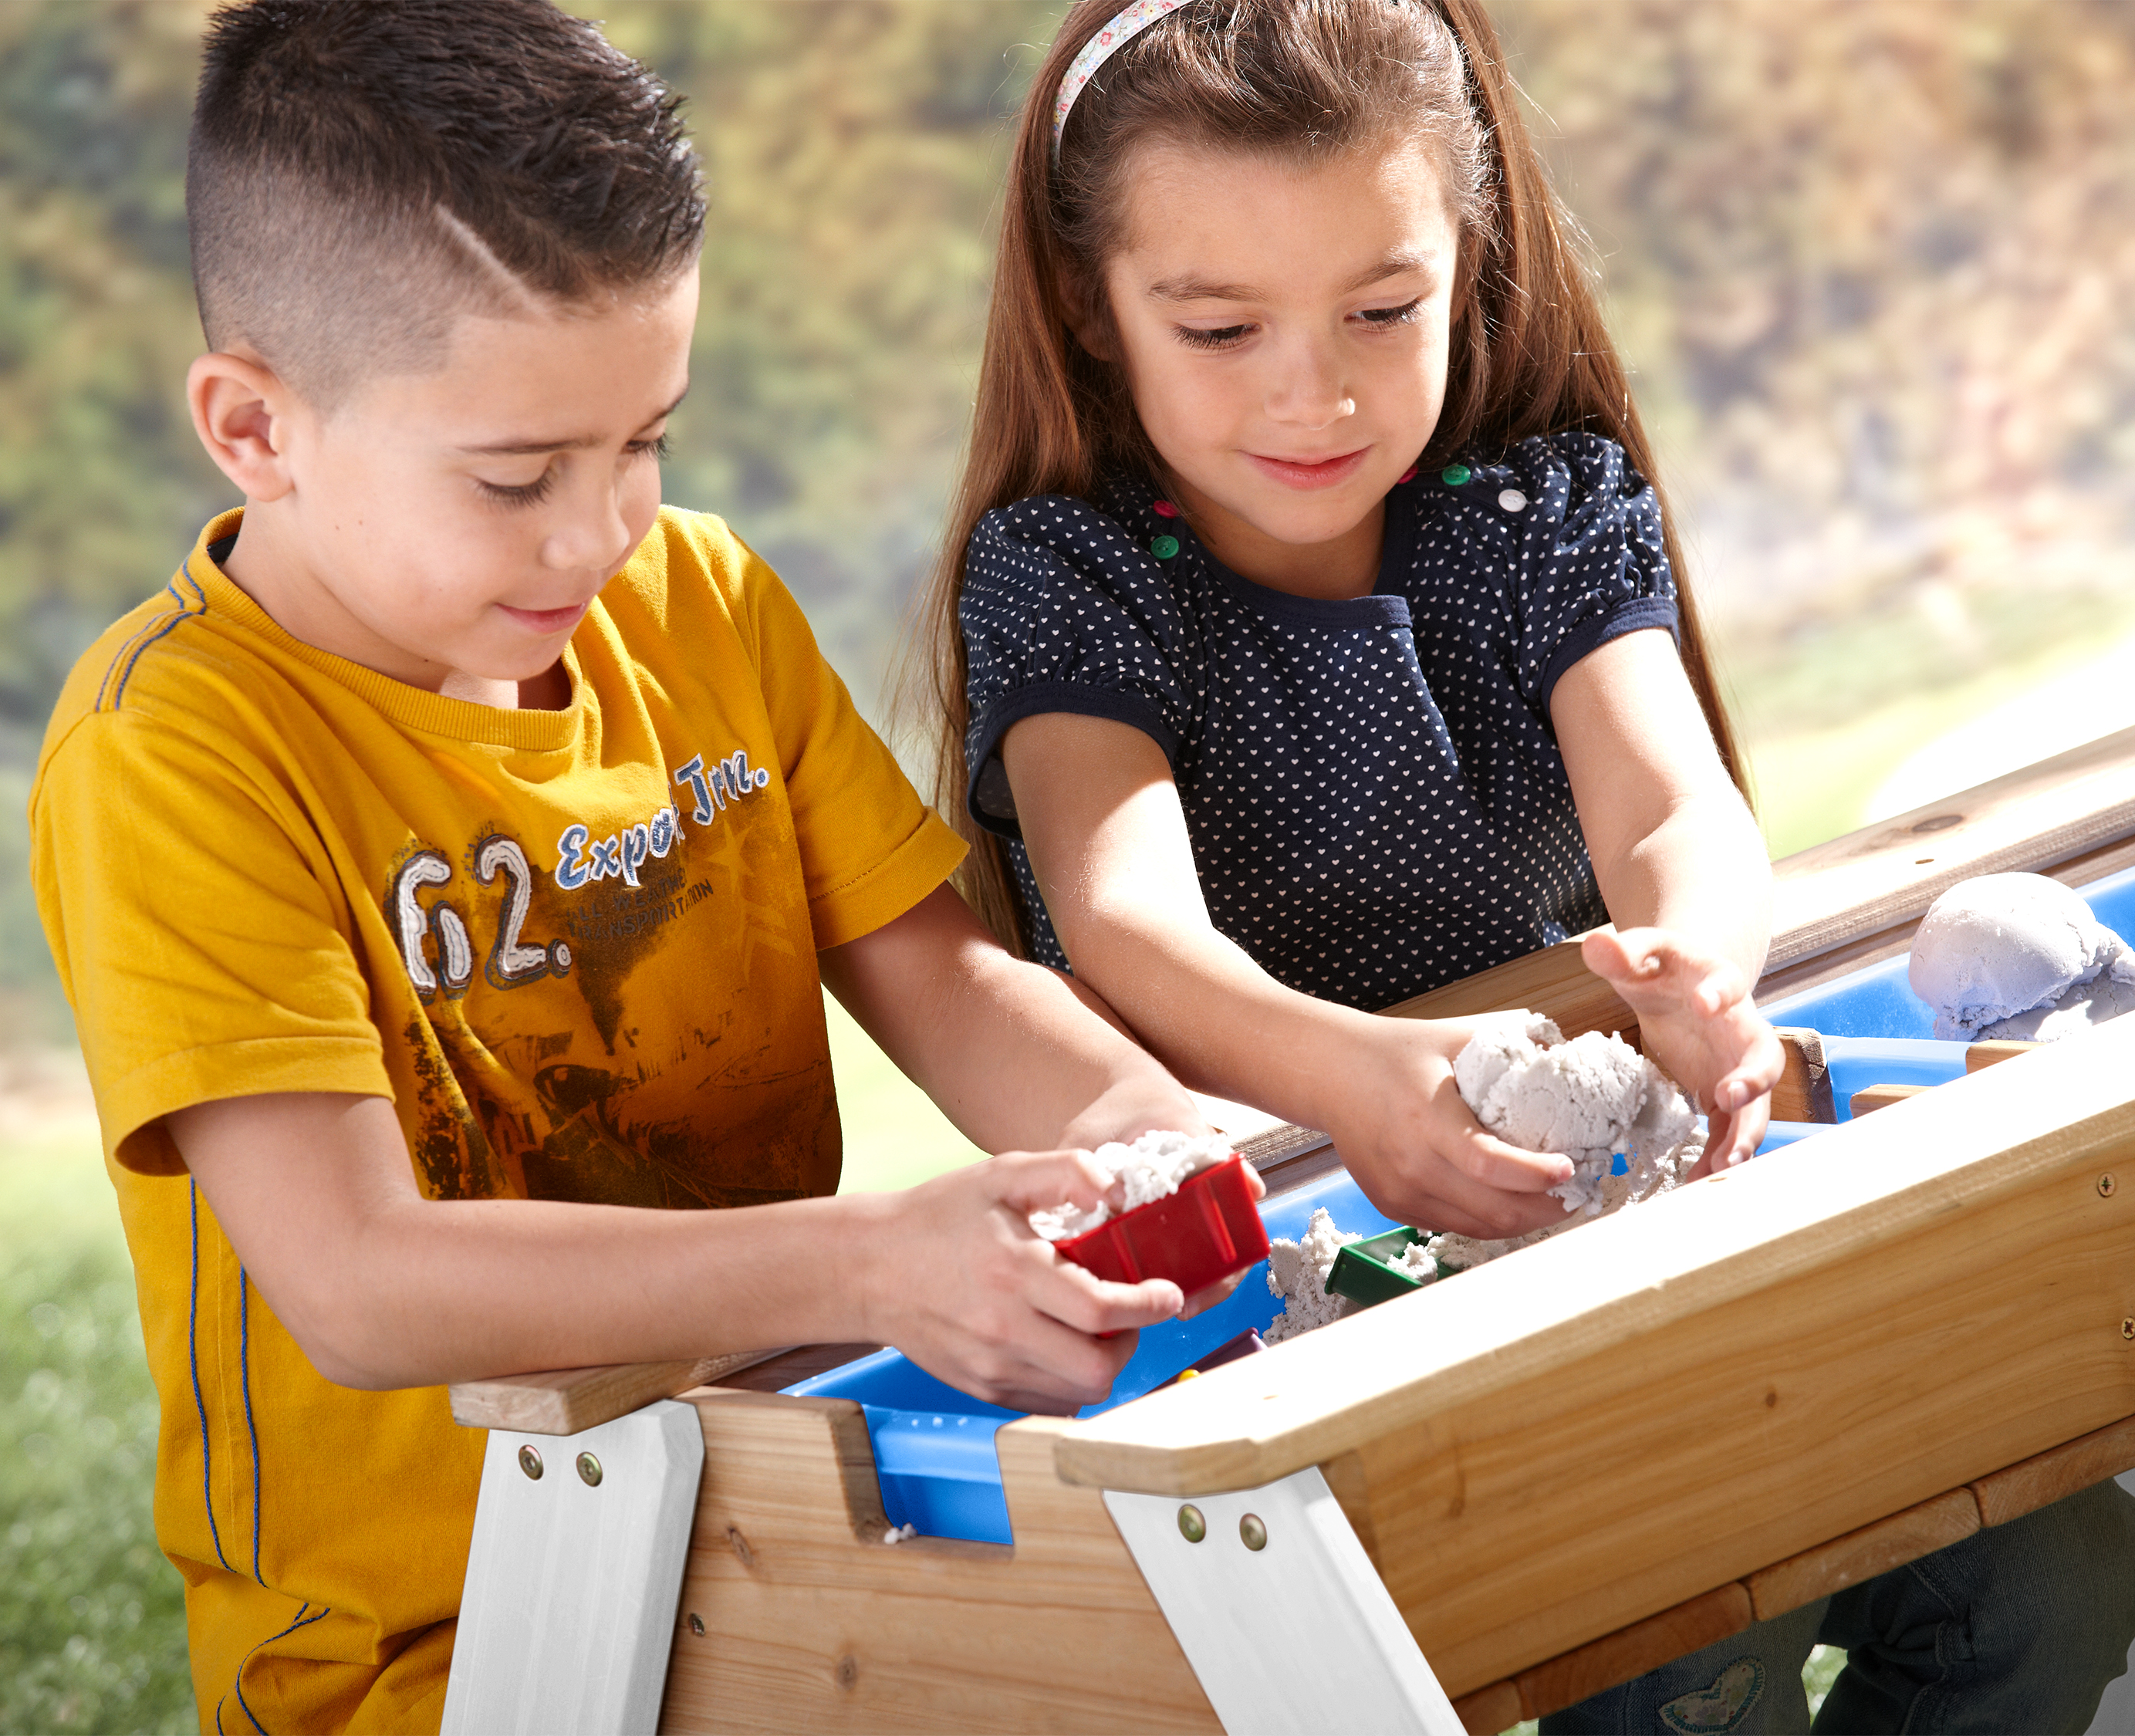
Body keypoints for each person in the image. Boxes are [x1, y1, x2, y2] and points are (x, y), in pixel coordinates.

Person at [917, 0, 2135, 1728]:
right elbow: (1125, 919)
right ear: (1088, 306)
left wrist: (1699, 964)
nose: (1314, 390)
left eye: (1382, 309)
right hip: (1302, 1318)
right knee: (1692, 1649)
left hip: (1618, 1230)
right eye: (1221, 327)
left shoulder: (1540, 512)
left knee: (2058, 1574)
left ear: (1469, 258)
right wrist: (1364, 1083)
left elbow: (1671, 812)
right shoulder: (1071, 574)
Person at [24, 2, 1235, 1728]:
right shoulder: (170, 747)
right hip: (448, 1646)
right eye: (515, 477)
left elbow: (950, 981)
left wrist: (1139, 1130)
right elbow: (359, 1282)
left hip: (782, 1521)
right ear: (255, 429)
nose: (599, 532)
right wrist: (870, 1262)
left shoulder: (704, 601)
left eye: (644, 440)